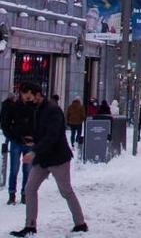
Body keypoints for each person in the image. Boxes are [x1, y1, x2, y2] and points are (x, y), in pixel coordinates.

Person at [10, 83, 87, 236]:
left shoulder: (53, 110)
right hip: (43, 158)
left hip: (58, 158)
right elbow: (38, 131)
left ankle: (80, 223)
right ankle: (30, 226)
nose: (27, 100)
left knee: (66, 191)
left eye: (29, 97)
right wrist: (31, 140)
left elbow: (52, 136)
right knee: (30, 188)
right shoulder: (35, 109)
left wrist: (34, 151)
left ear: (37, 94)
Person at [2, 90, 33, 205]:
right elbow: (6, 124)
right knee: (14, 169)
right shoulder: (13, 107)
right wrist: (13, 136)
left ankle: (25, 194)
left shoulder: (33, 108)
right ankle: (12, 194)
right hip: (16, 141)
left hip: (29, 142)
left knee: (27, 170)